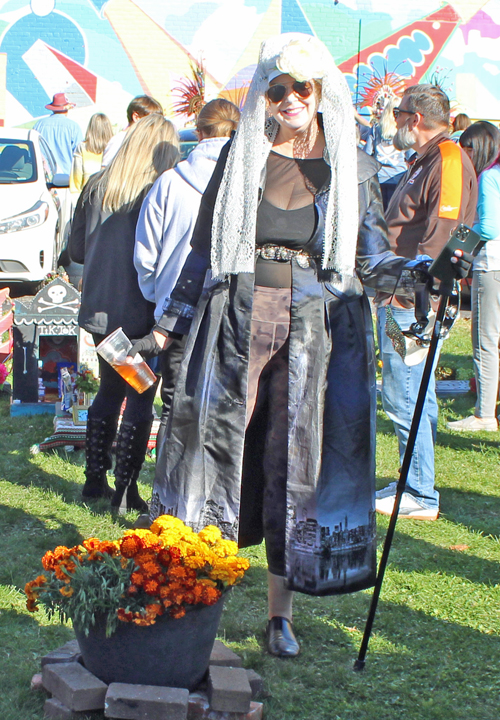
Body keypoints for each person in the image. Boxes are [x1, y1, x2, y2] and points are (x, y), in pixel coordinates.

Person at [130, 35, 469, 658]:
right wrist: (166, 325)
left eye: (300, 89)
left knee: (295, 464)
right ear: (265, 93)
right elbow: (204, 251)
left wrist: (418, 273)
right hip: (234, 319)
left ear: (319, 94)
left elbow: (369, 258)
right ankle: (198, 599)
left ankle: (278, 616)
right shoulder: (242, 159)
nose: (288, 99)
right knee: (212, 452)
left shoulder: (349, 168)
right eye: (278, 88)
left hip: (312, 328)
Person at [375, 85, 477, 522]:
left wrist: (423, 297)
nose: (394, 122)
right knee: (414, 393)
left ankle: (418, 491)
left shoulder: (449, 159)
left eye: (396, 114)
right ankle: (412, 481)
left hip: (413, 301)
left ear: (413, 118)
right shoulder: (430, 158)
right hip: (406, 295)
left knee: (404, 394)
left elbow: (450, 233)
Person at [68, 113, 180, 512]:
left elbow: (76, 251)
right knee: (140, 396)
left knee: (109, 391)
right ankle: (126, 488)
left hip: (100, 309)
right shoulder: (157, 190)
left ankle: (94, 480)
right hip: (141, 312)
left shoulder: (98, 185)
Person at [134, 98, 240, 438]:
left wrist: (157, 294)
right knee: (224, 409)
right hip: (229, 310)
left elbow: (145, 253)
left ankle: (166, 490)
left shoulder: (169, 182)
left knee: (174, 406)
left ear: (198, 132)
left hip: (174, 311)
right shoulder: (249, 183)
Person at [448, 122, 500, 431]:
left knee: (485, 341)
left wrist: (459, 240)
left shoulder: (489, 177)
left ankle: (483, 414)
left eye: (466, 149)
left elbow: (490, 227)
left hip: (492, 265)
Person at [363, 96, 407, 209]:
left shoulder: (376, 129)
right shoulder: (403, 130)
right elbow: (411, 155)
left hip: (378, 178)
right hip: (399, 177)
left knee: (379, 215)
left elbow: (366, 154)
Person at [101, 95, 163, 167]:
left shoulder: (152, 141)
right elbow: (105, 170)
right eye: (151, 122)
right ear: (136, 117)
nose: (157, 126)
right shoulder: (119, 141)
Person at [34, 93, 83, 175]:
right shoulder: (73, 127)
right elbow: (79, 153)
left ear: (53, 109)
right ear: (67, 109)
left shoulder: (39, 125)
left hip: (43, 175)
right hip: (66, 177)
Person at [69, 113, 113, 198]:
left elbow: (76, 178)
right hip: (109, 197)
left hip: (87, 197)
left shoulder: (82, 148)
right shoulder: (114, 147)